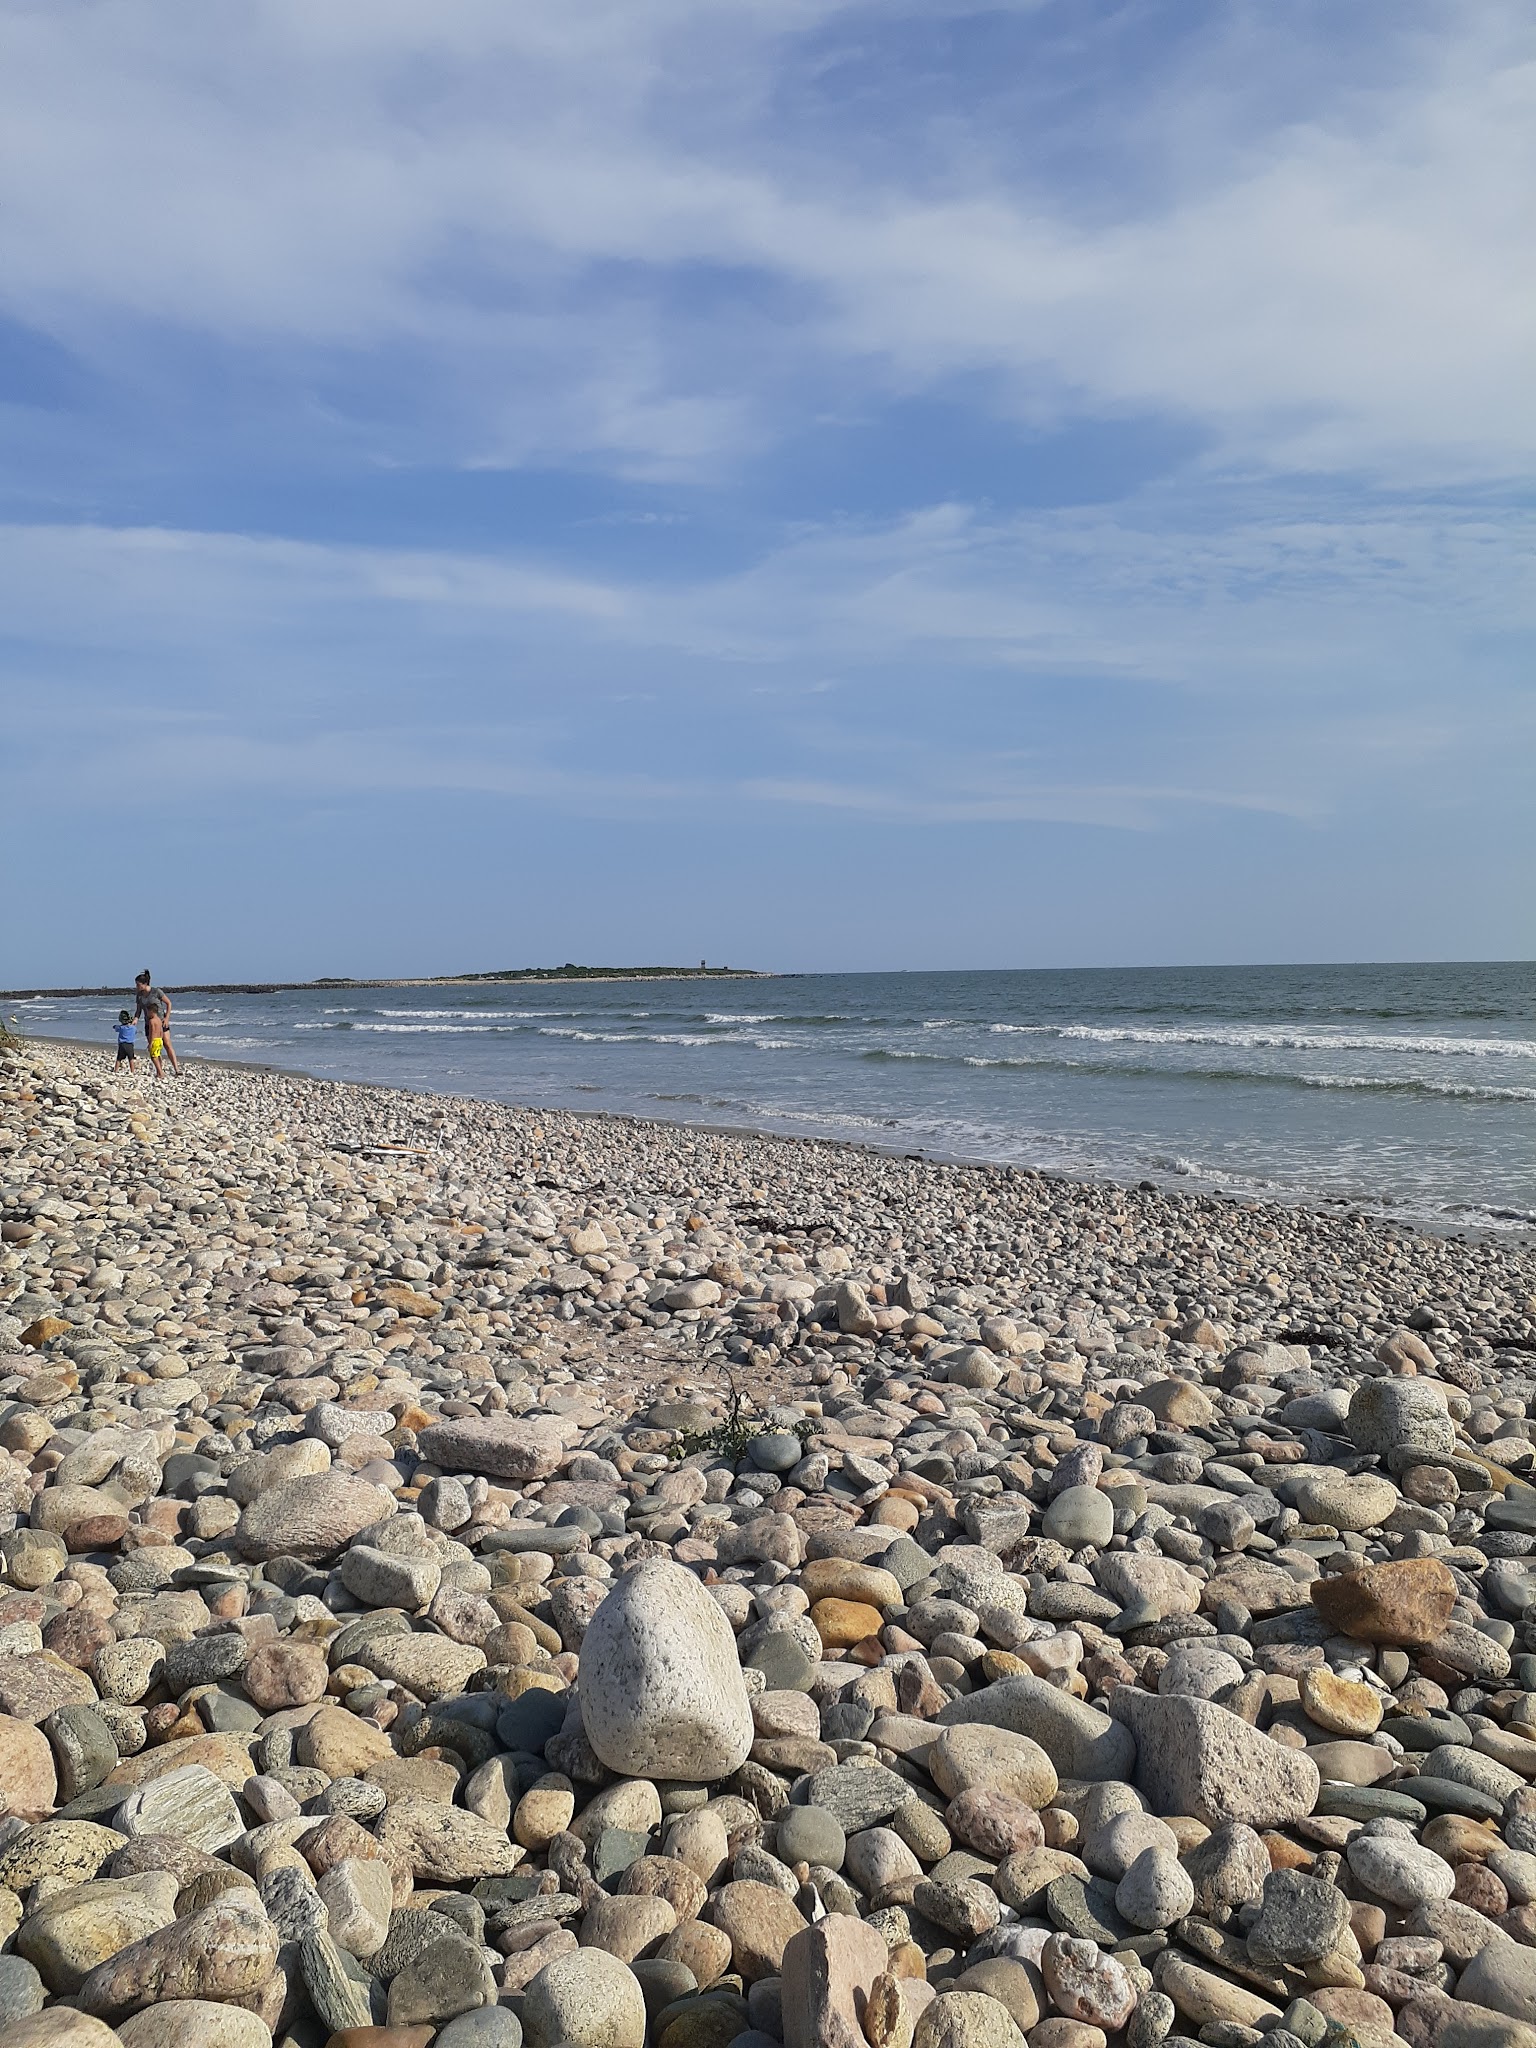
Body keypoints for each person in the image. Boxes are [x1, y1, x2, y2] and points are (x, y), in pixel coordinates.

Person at [133, 971, 181, 1076]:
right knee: (154, 1047)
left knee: (167, 1044)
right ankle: (160, 1071)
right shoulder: (139, 995)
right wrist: (135, 1019)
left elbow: (168, 1003)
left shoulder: (156, 992)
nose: (136, 987)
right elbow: (138, 1010)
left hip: (161, 1022)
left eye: (138, 985)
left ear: (145, 984)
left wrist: (167, 1018)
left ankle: (177, 1069)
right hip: (149, 1023)